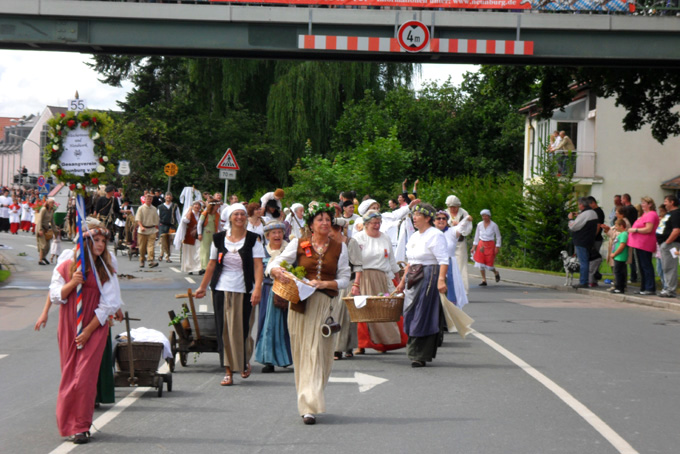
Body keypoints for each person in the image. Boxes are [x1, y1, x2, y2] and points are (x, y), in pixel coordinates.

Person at [267, 203, 350, 425]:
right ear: (311, 225)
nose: (324, 223)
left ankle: (312, 397)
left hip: (325, 304)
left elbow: (345, 278)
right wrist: (276, 270)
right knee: (304, 352)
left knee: (320, 354)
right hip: (301, 305)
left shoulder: (340, 248)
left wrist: (324, 283)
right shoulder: (298, 243)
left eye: (327, 219)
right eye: (319, 219)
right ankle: (308, 405)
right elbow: (276, 263)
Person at [47, 219, 124, 444]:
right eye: (95, 240)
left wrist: (89, 330)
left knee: (84, 377)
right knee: (70, 375)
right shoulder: (67, 265)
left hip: (94, 326)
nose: (100, 245)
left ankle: (81, 426)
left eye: (103, 241)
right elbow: (54, 295)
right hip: (69, 324)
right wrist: (73, 284)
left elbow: (109, 304)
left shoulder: (107, 270)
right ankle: (69, 423)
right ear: (86, 242)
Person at [195, 203, 264, 386]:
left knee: (243, 328)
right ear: (230, 218)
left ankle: (243, 361)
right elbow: (211, 264)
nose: (240, 217)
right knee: (224, 330)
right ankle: (227, 370)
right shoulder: (218, 239)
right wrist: (202, 287)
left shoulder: (253, 240)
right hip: (221, 289)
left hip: (244, 289)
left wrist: (257, 288)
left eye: (242, 214)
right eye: (236, 214)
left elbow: (258, 265)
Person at [395, 203, 448, 368]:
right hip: (413, 277)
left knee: (422, 314)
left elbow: (443, 260)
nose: (414, 218)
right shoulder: (415, 236)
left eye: (417, 215)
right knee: (410, 312)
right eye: (413, 215)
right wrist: (402, 282)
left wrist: (441, 280)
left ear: (427, 218)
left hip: (428, 277)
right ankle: (414, 351)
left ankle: (419, 355)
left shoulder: (435, 235)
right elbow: (410, 262)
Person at [353, 210, 407, 356]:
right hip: (364, 277)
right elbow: (353, 261)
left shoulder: (385, 238)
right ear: (366, 224)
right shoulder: (358, 239)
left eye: (379, 223)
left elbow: (391, 261)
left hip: (382, 277)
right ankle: (361, 345)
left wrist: (398, 281)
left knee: (383, 311)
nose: (377, 226)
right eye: (373, 223)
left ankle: (384, 342)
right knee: (363, 311)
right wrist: (355, 283)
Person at [254, 220, 292, 373]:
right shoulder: (262, 251)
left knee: (286, 325)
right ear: (268, 236)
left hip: (287, 291)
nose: (277, 235)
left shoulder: (290, 250)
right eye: (273, 233)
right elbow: (256, 271)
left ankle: (285, 359)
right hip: (267, 291)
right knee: (266, 324)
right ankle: (267, 360)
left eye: (280, 232)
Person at [328, 218, 362, 360]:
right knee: (335, 315)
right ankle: (337, 347)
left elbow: (358, 265)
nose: (328, 233)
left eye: (331, 231)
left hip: (348, 282)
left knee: (346, 317)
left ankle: (344, 347)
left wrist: (356, 285)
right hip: (332, 282)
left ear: (338, 230)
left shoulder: (350, 242)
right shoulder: (328, 243)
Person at [434, 210, 470, 308]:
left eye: (444, 218)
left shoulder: (452, 231)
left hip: (449, 264)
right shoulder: (431, 233)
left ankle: (450, 309)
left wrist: (467, 218)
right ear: (434, 221)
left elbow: (462, 226)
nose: (441, 220)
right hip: (434, 264)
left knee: (450, 287)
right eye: (438, 218)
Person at [627, 196, 660, 295]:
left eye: (644, 203)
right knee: (641, 266)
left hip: (645, 243)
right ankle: (644, 287)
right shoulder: (645, 214)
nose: (642, 205)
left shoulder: (651, 215)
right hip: (639, 244)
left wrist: (635, 230)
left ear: (650, 204)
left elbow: (648, 229)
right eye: (642, 203)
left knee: (646, 265)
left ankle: (650, 287)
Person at [568, 198, 599, 289]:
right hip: (589, 240)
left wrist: (570, 219)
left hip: (581, 240)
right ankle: (586, 280)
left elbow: (574, 227)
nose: (578, 206)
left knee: (583, 261)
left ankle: (583, 282)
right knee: (586, 261)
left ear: (582, 205)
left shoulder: (584, 214)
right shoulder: (593, 213)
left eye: (579, 204)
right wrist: (579, 216)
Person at [445, 195, 472, 294]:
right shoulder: (445, 213)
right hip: (448, 242)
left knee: (462, 265)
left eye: (454, 207)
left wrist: (461, 228)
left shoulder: (464, 213)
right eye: (450, 207)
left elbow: (469, 227)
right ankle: (448, 288)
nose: (452, 209)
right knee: (447, 265)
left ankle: (463, 290)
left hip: (460, 242)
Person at [656, 195, 680, 298]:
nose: (664, 203)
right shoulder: (669, 214)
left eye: (666, 201)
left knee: (670, 267)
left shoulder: (676, 214)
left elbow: (676, 230)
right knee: (665, 267)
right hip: (665, 244)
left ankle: (670, 290)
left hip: (671, 244)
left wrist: (667, 242)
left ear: (672, 202)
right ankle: (667, 288)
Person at [471, 209, 502, 286]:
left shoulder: (494, 225)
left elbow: (498, 237)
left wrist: (497, 247)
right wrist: (474, 247)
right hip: (481, 244)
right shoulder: (479, 224)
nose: (484, 217)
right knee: (480, 263)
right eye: (483, 216)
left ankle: (495, 272)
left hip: (490, 245)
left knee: (489, 265)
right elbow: (476, 236)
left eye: (486, 216)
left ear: (489, 216)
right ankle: (484, 280)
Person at [174, 200, 202, 274]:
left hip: (198, 235)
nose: (197, 206)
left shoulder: (201, 214)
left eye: (198, 205)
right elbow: (186, 220)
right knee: (189, 253)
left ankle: (199, 268)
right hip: (189, 235)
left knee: (199, 252)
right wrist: (190, 210)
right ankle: (190, 269)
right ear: (192, 207)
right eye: (195, 205)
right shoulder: (189, 213)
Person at [135, 195, 160, 268]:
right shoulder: (141, 208)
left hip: (152, 230)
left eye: (150, 199)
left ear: (152, 200)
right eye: (147, 199)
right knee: (142, 247)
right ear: (145, 200)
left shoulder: (154, 209)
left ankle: (151, 261)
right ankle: (142, 260)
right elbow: (138, 219)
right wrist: (141, 226)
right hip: (142, 231)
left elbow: (156, 221)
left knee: (151, 246)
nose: (149, 200)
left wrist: (156, 230)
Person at [197, 198, 220, 275]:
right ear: (213, 206)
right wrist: (199, 234)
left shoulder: (217, 215)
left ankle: (210, 266)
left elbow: (219, 225)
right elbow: (199, 224)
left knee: (212, 250)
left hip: (214, 234)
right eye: (217, 205)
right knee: (205, 250)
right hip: (206, 233)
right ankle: (204, 267)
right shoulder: (205, 213)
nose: (218, 207)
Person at [158, 193, 180, 263]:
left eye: (170, 196)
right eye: (167, 196)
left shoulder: (175, 206)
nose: (168, 197)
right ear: (165, 197)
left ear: (172, 198)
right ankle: (162, 254)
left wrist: (180, 226)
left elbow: (178, 216)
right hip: (163, 225)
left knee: (170, 241)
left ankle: (167, 256)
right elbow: (157, 217)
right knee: (162, 240)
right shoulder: (160, 207)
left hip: (171, 225)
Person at [609, 219, 630, 294]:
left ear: (621, 226)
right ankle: (619, 286)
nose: (615, 228)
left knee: (618, 272)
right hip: (618, 256)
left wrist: (615, 254)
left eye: (617, 226)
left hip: (620, 257)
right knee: (618, 271)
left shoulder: (624, 234)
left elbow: (622, 245)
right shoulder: (621, 234)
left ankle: (619, 287)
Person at [622, 193, 639, 283]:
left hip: (627, 233)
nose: (621, 201)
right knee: (631, 256)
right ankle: (633, 276)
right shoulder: (634, 209)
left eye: (622, 199)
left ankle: (632, 276)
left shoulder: (627, 209)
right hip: (631, 233)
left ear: (625, 199)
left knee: (628, 256)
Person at [36, 198, 57, 265]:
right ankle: (40, 260)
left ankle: (43, 257)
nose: (52, 204)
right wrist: (40, 230)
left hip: (46, 229)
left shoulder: (51, 211)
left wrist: (56, 231)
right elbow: (39, 220)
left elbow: (52, 222)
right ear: (48, 203)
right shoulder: (43, 209)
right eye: (51, 203)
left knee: (48, 246)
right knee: (43, 245)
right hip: (41, 228)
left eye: (53, 203)